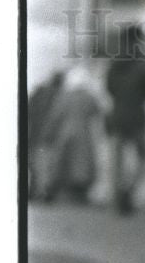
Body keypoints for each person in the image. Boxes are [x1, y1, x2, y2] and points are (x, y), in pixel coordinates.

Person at [105, 24, 145, 215]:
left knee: (117, 160)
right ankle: (129, 189)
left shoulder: (114, 61)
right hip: (137, 115)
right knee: (144, 158)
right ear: (140, 39)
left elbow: (109, 88)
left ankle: (117, 197)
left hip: (117, 114)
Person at [41, 65, 102, 204]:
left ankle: (56, 192)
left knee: (62, 162)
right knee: (82, 165)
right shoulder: (89, 97)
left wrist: (48, 134)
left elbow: (55, 116)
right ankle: (80, 194)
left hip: (65, 133)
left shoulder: (64, 96)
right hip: (84, 133)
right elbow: (98, 112)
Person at [27, 70, 64, 200]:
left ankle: (34, 191)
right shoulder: (58, 95)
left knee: (36, 165)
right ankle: (42, 193)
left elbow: (29, 110)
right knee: (45, 165)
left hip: (35, 133)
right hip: (49, 135)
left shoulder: (40, 92)